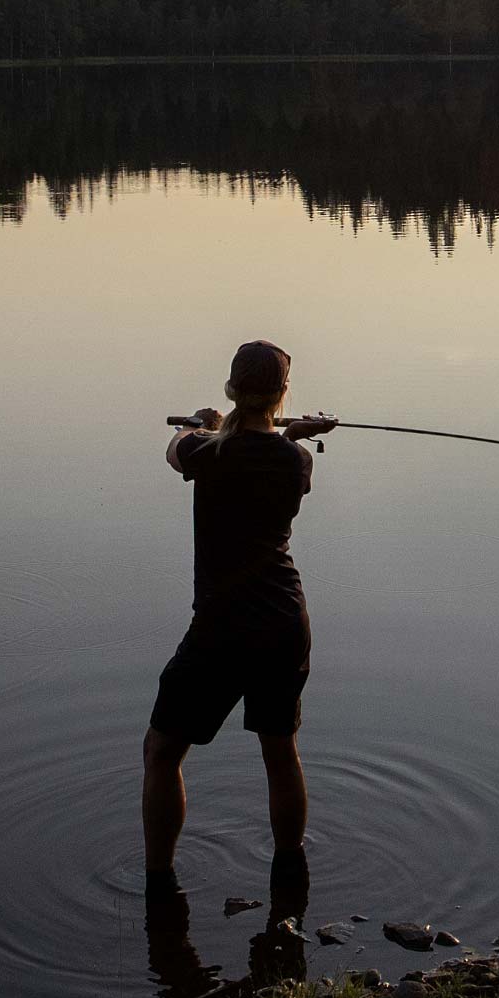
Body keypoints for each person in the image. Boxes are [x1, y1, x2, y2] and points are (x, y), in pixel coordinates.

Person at [142, 339, 333, 912]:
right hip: (282, 622)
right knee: (281, 751)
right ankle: (290, 877)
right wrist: (286, 432)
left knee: (162, 752)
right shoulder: (296, 460)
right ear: (281, 394)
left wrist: (201, 424)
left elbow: (177, 452)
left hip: (222, 629)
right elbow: (268, 455)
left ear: (231, 389)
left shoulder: (207, 452)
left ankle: (159, 886)